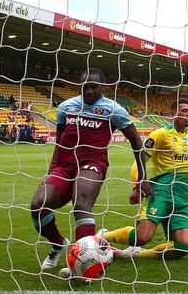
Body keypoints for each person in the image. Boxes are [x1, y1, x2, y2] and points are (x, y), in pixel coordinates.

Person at [30, 68, 153, 272]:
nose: (88, 91)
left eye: (93, 87)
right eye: (85, 87)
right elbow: (60, 140)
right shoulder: (66, 107)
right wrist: (52, 168)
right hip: (64, 164)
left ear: (102, 87)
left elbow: (136, 141)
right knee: (38, 205)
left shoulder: (113, 110)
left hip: (93, 162)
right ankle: (58, 244)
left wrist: (142, 177)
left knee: (81, 205)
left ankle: (78, 263)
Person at [100, 98, 188, 259]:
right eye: (184, 111)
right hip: (159, 193)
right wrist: (136, 187)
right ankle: (104, 236)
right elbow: (137, 162)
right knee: (142, 237)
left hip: (180, 198)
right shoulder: (160, 134)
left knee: (183, 246)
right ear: (173, 114)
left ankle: (137, 254)